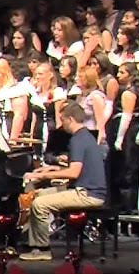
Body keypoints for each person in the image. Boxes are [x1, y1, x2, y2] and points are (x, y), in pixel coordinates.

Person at [18, 102, 108, 261]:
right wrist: (51, 169)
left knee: (40, 204)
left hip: (87, 194)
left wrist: (43, 177)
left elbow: (73, 172)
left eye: (63, 120)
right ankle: (31, 243)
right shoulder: (86, 136)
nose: (62, 124)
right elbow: (77, 166)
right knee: (37, 195)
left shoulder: (77, 140)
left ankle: (42, 249)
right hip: (85, 190)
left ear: (70, 119)